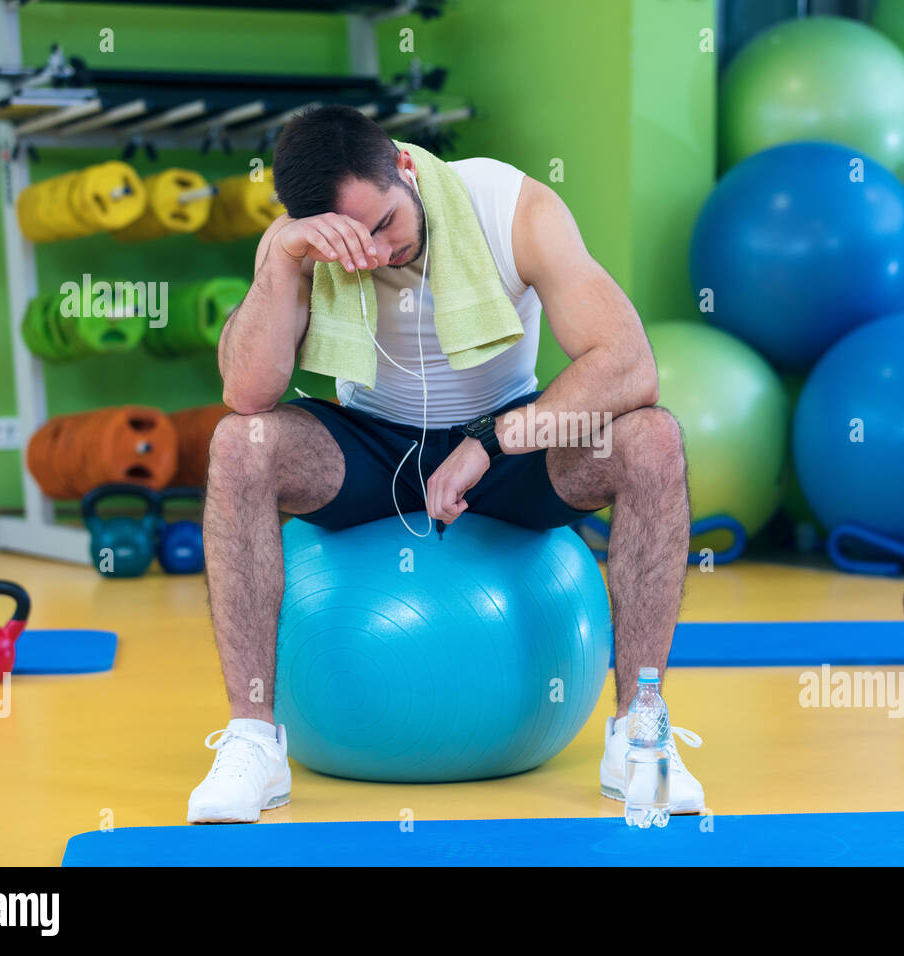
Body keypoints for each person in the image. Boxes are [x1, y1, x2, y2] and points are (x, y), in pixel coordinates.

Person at [188, 104, 703, 823]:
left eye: (384, 225)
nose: (372, 253)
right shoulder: (295, 246)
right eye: (349, 242)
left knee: (652, 439)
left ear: (404, 167)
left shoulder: (513, 207)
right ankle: (252, 742)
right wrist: (281, 261)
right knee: (238, 444)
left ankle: (641, 732)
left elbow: (627, 363)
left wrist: (490, 441)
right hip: (369, 445)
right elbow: (247, 393)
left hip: (510, 445)